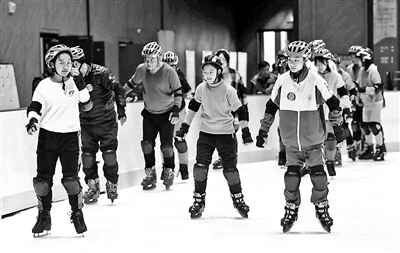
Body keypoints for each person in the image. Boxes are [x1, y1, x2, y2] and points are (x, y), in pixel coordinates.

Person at [256, 41, 342, 233]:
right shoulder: (282, 79)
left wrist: (337, 127)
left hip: (313, 142)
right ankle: (291, 208)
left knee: (319, 177)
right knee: (291, 178)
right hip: (291, 144)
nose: (293, 63)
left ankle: (322, 207)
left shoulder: (315, 79)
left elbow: (334, 103)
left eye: (297, 59)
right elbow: (271, 107)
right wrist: (263, 130)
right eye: (290, 59)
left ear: (305, 60)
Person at [26, 44, 90, 236]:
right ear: (51, 64)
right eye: (61, 62)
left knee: (71, 180)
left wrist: (79, 85)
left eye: (69, 62)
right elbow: (35, 107)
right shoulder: (44, 86)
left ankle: (77, 214)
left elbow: (86, 106)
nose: (65, 65)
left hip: (70, 137)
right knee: (42, 181)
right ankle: (44, 216)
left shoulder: (75, 82)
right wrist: (32, 121)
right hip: (48, 137)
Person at [176, 54, 250, 219]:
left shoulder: (228, 90)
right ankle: (198, 200)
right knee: (200, 168)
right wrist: (184, 127)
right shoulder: (201, 88)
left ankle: (238, 199)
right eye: (205, 72)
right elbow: (193, 107)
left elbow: (241, 110)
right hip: (206, 134)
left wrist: (245, 131)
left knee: (230, 171)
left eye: (211, 72)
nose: (207, 75)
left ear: (218, 71)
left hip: (226, 135)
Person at [70, 46, 127, 204]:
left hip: (106, 122)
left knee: (109, 154)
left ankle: (112, 183)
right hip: (86, 124)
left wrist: (121, 110)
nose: (73, 69)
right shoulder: (70, 78)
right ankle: (93, 187)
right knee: (87, 157)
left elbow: (118, 89)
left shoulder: (101, 72)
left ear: (84, 63)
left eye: (76, 65)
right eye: (71, 65)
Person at [127, 42, 182, 190]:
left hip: (167, 114)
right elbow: (130, 86)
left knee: (166, 146)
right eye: (146, 58)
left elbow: (178, 93)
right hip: (149, 114)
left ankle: (169, 170)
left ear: (159, 58)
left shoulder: (170, 72)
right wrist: (118, 96)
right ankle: (150, 173)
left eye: (152, 58)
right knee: (147, 145)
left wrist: (176, 110)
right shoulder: (142, 70)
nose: (148, 62)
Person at [211, 49, 253, 170]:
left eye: (223, 59)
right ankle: (223, 157)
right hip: (218, 111)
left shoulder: (235, 74)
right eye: (219, 59)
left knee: (231, 135)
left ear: (227, 61)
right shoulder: (213, 75)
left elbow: (242, 93)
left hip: (233, 110)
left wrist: (244, 110)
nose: (221, 61)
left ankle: (231, 157)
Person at [314, 48, 351, 175]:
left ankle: (330, 162)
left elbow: (343, 94)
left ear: (327, 62)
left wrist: (347, 110)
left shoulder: (336, 76)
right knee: (316, 141)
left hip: (331, 113)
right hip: (314, 113)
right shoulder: (312, 76)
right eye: (316, 63)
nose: (319, 66)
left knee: (331, 138)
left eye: (321, 63)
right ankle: (316, 164)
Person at [161, 51, 191, 180]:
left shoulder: (178, 74)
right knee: (165, 142)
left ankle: (184, 170)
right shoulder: (157, 74)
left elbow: (188, 90)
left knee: (179, 139)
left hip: (179, 110)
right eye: (167, 65)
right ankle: (167, 169)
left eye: (172, 65)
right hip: (163, 111)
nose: (170, 68)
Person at [356, 48, 386, 161]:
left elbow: (378, 88)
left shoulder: (373, 70)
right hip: (366, 102)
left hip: (375, 102)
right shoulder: (362, 70)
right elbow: (359, 85)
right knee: (364, 125)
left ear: (365, 59)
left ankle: (380, 148)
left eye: (360, 59)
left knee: (374, 125)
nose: (359, 61)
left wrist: (364, 90)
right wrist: (358, 97)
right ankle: (369, 148)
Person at [346, 45, 364, 156]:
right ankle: (357, 146)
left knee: (366, 124)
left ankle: (368, 146)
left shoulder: (365, 68)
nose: (352, 58)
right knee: (355, 123)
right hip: (354, 100)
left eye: (354, 56)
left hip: (365, 100)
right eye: (351, 56)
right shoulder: (349, 69)